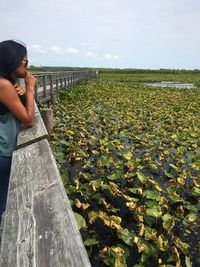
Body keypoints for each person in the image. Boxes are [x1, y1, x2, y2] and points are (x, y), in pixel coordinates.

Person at [0, 40, 36, 223]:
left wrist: (21, 95)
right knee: (2, 203)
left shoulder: (6, 83)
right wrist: (30, 89)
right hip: (3, 153)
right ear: (12, 61)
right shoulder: (3, 85)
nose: (27, 66)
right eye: (25, 61)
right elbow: (29, 120)